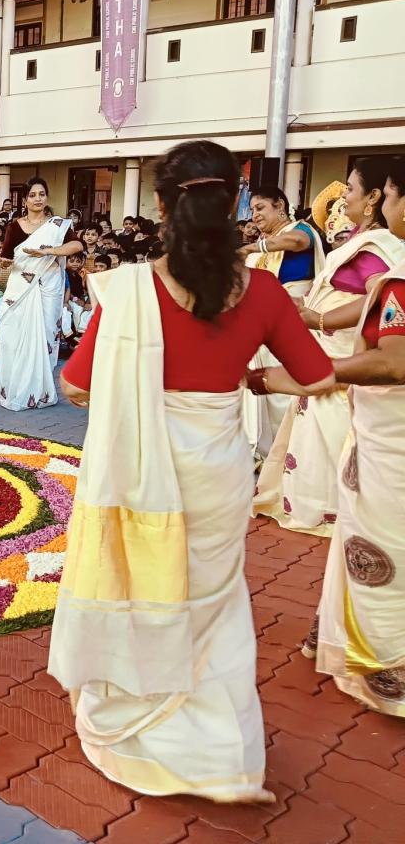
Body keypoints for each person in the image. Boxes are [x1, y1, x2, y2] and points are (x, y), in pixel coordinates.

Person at [49, 140, 334, 802]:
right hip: (217, 475)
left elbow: (75, 386)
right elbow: (318, 376)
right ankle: (216, 752)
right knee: (212, 604)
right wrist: (256, 378)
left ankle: (141, 727)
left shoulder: (128, 291)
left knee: (142, 592)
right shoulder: (262, 292)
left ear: (160, 206)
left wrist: (130, 386)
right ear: (234, 202)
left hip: (138, 474)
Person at [262, 156, 405, 715]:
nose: (381, 203)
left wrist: (312, 372)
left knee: (383, 540)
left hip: (390, 434)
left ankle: (385, 667)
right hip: (378, 421)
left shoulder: (395, 271)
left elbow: (392, 361)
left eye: (385, 194)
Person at [254, 161, 403, 536]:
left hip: (343, 353)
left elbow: (377, 296)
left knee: (333, 430)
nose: (343, 199)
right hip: (330, 347)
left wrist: (320, 319)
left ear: (373, 198)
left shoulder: (377, 248)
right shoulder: (361, 241)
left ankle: (331, 509)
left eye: (350, 190)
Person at [240, 184, 326, 460]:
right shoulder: (261, 247)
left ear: (280, 205)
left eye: (260, 207)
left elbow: (296, 243)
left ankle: (285, 451)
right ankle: (265, 453)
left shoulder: (300, 230)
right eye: (252, 210)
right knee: (263, 386)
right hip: (263, 324)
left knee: (284, 390)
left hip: (293, 320)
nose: (255, 215)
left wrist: (251, 247)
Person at [0, 178, 81, 410]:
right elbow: (7, 260)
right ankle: (16, 388)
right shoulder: (14, 227)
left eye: (41, 194)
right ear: (24, 200)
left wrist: (48, 251)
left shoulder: (56, 226)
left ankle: (40, 392)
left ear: (47, 197)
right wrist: (2, 262)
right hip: (20, 289)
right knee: (12, 334)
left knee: (43, 337)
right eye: (32, 195)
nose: (37, 199)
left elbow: (77, 246)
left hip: (48, 289)